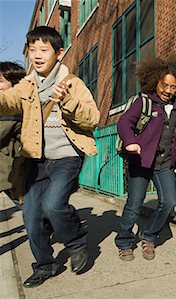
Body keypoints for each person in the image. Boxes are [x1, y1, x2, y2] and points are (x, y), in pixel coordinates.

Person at [0, 26, 100, 287]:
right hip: (35, 159)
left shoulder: (73, 83)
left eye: (43, 50)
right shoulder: (27, 85)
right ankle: (45, 265)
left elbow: (93, 118)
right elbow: (8, 100)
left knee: (54, 205)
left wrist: (67, 102)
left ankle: (77, 242)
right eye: (32, 50)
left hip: (66, 157)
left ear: (59, 52)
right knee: (32, 217)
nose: (37, 55)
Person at [115, 56, 176, 262]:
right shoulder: (143, 101)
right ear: (155, 82)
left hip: (164, 164)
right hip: (140, 161)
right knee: (134, 205)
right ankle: (124, 241)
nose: (168, 91)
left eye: (173, 87)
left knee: (168, 203)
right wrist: (130, 141)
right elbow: (124, 123)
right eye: (164, 85)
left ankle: (149, 236)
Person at [0, 62, 26, 203]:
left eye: (1, 81)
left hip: (12, 168)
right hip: (8, 168)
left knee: (30, 209)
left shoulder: (12, 108)